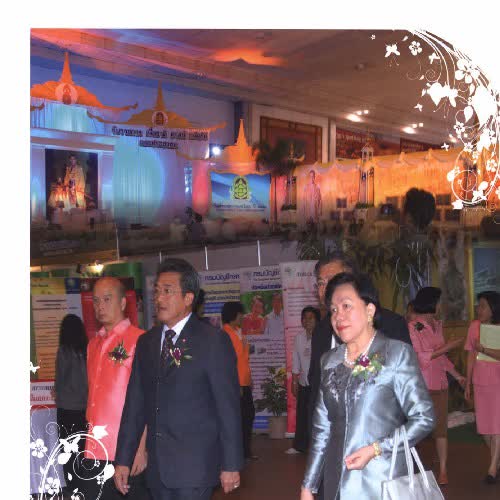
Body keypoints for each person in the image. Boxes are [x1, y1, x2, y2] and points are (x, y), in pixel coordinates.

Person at [114, 258, 244, 499]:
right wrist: (123, 459)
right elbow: (135, 404)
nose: (159, 298)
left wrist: (231, 464)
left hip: (195, 466)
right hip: (158, 469)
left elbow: (227, 406)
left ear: (188, 298)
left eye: (167, 291)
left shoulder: (212, 341)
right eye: (157, 291)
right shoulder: (147, 343)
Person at [301, 273, 435, 500]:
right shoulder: (329, 361)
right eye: (333, 310)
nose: (338, 316)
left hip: (381, 480)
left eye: (346, 306)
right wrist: (308, 486)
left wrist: (376, 448)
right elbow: (322, 429)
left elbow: (424, 418)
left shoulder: (395, 354)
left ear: (370, 310)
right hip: (336, 481)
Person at [82, 277, 149, 500]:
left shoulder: (140, 340)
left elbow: (148, 398)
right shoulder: (93, 344)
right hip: (95, 446)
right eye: (96, 301)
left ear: (122, 302)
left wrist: (141, 448)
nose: (100, 306)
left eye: (107, 299)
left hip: (127, 447)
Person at [408, 287, 465, 485]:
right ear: (431, 303)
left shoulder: (437, 325)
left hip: (441, 383)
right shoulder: (413, 326)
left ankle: (443, 470)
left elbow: (441, 358)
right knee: (420, 429)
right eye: (439, 301)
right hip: (423, 386)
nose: (441, 305)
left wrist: (458, 376)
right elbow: (421, 357)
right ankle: (412, 467)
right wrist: (448, 346)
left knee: (441, 429)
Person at [465, 290, 500, 484]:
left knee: (497, 426)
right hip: (480, 381)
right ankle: (497, 459)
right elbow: (471, 355)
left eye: (483, 306)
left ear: (493, 309)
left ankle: (492, 468)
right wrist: (467, 382)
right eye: (479, 305)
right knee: (484, 428)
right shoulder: (474, 326)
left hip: (498, 381)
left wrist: (484, 349)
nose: (479, 309)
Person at [54, 314, 88, 494]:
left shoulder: (63, 351)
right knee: (83, 449)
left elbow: (60, 380)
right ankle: (85, 488)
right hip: (84, 408)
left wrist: (56, 391)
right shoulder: (87, 350)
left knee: (67, 450)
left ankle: (72, 489)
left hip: (66, 408)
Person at [221, 301, 257, 461]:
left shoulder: (238, 331)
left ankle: (245, 451)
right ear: (233, 314)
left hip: (245, 381)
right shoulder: (225, 334)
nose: (242, 316)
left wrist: (249, 378)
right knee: (240, 419)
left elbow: (243, 359)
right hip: (236, 384)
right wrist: (236, 384)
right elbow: (228, 363)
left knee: (248, 416)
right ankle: (240, 453)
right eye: (240, 314)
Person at [286, 306, 320, 455]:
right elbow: (295, 360)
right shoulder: (299, 338)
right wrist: (294, 381)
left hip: (318, 383)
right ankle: (299, 446)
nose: (307, 321)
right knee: (302, 415)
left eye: (311, 318)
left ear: (317, 320)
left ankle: (317, 446)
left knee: (317, 415)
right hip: (303, 381)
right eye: (304, 318)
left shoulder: (322, 337)